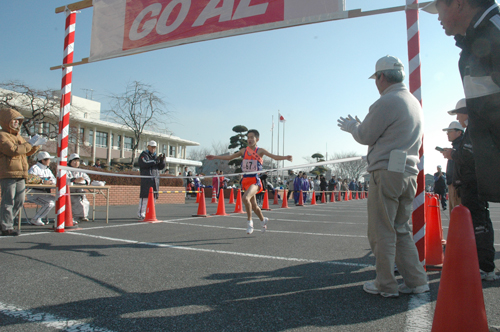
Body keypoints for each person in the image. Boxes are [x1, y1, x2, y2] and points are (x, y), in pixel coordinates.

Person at [337, 55, 429, 297]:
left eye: (376, 78)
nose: (376, 83)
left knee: (381, 230)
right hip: (408, 172)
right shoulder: (412, 102)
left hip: (386, 171)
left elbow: (366, 135)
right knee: (401, 229)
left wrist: (352, 127)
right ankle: (417, 280)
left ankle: (385, 284)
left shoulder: (387, 101)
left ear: (382, 76)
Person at [423, 0, 500, 203]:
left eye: (439, 9)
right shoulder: (476, 41)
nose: (437, 17)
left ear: (458, 3)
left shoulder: (495, 33)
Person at [441, 100, 498, 281]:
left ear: (467, 112)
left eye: (459, 114)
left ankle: (486, 267)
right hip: (469, 186)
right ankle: (482, 265)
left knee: (480, 226)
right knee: (476, 225)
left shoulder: (475, 130)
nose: (458, 118)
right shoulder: (474, 129)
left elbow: (468, 156)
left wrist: (452, 155)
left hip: (473, 186)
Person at [206, 129, 292, 234]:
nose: (249, 139)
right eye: (248, 137)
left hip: (255, 180)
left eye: (252, 137)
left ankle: (249, 222)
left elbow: (274, 157)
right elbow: (230, 157)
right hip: (245, 181)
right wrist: (215, 157)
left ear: (257, 139)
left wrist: (286, 157)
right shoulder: (243, 150)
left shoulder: (260, 151)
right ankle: (263, 220)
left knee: (245, 198)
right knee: (254, 206)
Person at [0, 108, 44, 236]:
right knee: (8, 200)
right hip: (8, 172)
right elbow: (13, 150)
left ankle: (5, 222)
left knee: (19, 200)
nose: (16, 123)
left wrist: (35, 145)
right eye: (13, 120)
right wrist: (29, 144)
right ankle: (6, 226)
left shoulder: (18, 136)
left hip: (21, 172)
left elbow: (25, 151)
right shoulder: (2, 135)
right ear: (6, 121)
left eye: (18, 121)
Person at [27, 151, 56, 226]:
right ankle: (35, 219)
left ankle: (60, 218)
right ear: (43, 160)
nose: (50, 161)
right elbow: (30, 179)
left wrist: (50, 182)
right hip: (34, 194)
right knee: (49, 203)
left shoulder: (48, 170)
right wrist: (43, 181)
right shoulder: (34, 168)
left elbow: (54, 180)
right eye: (48, 159)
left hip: (44, 194)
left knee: (60, 199)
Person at [137, 141, 166, 219]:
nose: (153, 149)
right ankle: (141, 213)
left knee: (153, 198)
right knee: (145, 197)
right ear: (148, 147)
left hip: (155, 180)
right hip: (146, 179)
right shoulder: (143, 155)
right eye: (151, 147)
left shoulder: (155, 157)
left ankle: (149, 212)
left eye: (154, 147)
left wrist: (162, 161)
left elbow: (160, 167)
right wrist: (155, 161)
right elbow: (144, 163)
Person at [442, 118, 465, 215]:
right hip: (454, 184)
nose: (447, 134)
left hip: (457, 186)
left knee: (457, 216)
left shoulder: (461, 147)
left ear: (459, 132)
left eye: (450, 131)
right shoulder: (457, 147)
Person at [67, 153, 91, 223]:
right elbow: (65, 179)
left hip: (79, 190)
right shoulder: (66, 169)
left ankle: (83, 216)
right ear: (70, 161)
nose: (76, 163)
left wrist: (84, 181)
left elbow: (87, 179)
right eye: (74, 161)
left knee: (85, 202)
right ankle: (74, 217)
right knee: (76, 201)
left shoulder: (80, 170)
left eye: (77, 161)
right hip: (70, 191)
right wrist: (74, 180)